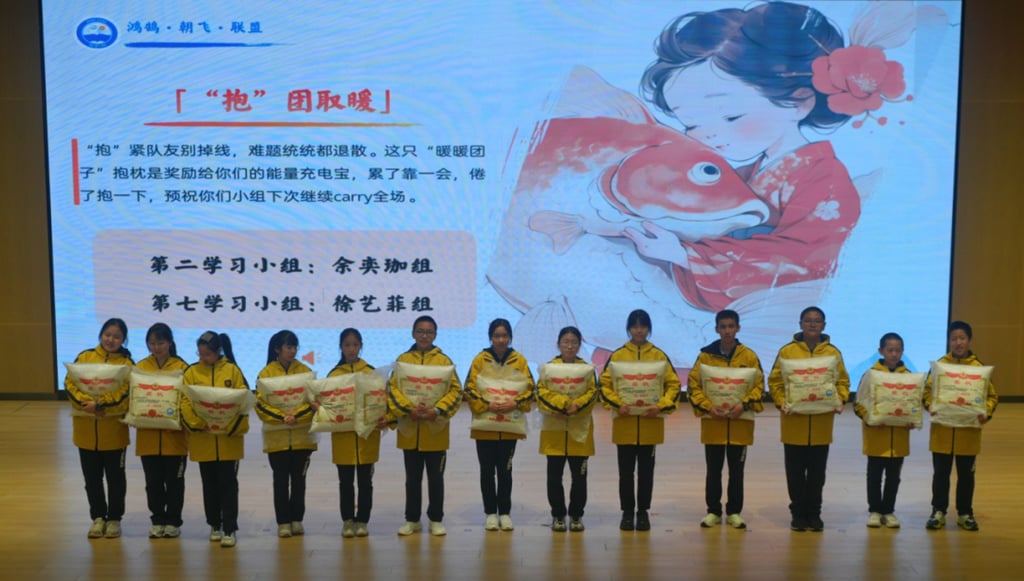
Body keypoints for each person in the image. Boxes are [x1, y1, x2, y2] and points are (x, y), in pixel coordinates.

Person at [632, 1, 871, 312]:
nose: (706, 135)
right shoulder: (745, 171)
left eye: (731, 116)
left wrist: (684, 255)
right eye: (690, 124)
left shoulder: (825, 180)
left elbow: (804, 263)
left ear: (799, 103)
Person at [767, 306, 850, 532]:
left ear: (824, 325)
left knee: (817, 474)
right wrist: (781, 401)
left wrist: (840, 399)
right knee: (794, 473)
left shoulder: (833, 353)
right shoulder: (787, 352)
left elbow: (843, 382)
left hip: (822, 424)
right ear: (800, 324)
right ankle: (798, 514)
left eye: (817, 321)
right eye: (808, 320)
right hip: (794, 424)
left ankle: (814, 514)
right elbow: (775, 382)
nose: (812, 324)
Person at [599, 309, 682, 532]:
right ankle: (627, 512)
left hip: (650, 423)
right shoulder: (617, 356)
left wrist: (661, 406)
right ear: (628, 328)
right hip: (624, 423)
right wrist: (618, 404)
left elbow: (674, 385)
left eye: (643, 326)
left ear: (649, 329)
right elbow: (604, 385)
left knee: (646, 471)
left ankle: (643, 512)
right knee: (625, 472)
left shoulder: (659, 356)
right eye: (635, 326)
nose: (639, 330)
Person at [686, 309, 765, 529]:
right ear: (716, 329)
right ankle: (713, 511)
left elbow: (760, 386)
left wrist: (744, 404)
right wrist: (708, 407)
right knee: (713, 470)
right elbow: (694, 385)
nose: (727, 331)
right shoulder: (705, 357)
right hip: (714, 423)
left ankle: (734, 512)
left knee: (736, 471)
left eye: (731, 326)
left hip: (741, 424)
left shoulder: (749, 356)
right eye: (723, 327)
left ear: (738, 328)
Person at [387, 316, 463, 537]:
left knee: (436, 478)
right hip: (410, 429)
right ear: (413, 333)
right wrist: (408, 409)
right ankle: (412, 519)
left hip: (435, 430)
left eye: (429, 332)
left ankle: (436, 519)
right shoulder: (402, 360)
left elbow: (455, 391)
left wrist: (437, 410)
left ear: (435, 335)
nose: (424, 335)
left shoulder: (444, 361)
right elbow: (393, 388)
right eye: (420, 331)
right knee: (412, 479)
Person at [923, 321, 998, 531]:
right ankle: (938, 511)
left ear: (969, 340)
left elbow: (992, 396)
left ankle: (965, 513)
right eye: (954, 338)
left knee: (966, 476)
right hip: (942, 434)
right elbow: (927, 393)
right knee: (940, 475)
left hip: (968, 434)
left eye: (962, 338)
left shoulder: (978, 368)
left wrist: (987, 412)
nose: (958, 342)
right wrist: (930, 405)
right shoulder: (939, 366)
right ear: (949, 341)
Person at [464, 318, 536, 532]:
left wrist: (516, 402)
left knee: (505, 471)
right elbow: (469, 388)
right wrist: (487, 404)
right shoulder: (480, 359)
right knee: (486, 471)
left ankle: (504, 512)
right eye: (497, 336)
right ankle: (489, 513)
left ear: (510, 337)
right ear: (490, 337)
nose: (501, 340)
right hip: (485, 426)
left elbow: (531, 388)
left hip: (509, 427)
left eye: (505, 336)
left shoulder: (519, 360)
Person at [64, 318, 134, 539]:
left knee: (115, 479)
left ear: (123, 340)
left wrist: (101, 404)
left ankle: (114, 518)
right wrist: (89, 404)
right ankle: (97, 517)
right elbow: (70, 383)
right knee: (92, 479)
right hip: (85, 432)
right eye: (107, 334)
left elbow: (126, 393)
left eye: (116, 336)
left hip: (114, 433)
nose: (110, 339)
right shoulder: (84, 357)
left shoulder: (127, 364)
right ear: (101, 334)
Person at [180, 331, 249, 548]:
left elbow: (244, 401)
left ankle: (229, 527)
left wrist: (229, 426)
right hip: (203, 440)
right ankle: (214, 524)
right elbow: (184, 401)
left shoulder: (232, 370)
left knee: (228, 484)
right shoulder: (191, 372)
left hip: (228, 441)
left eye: (207, 354)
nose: (203, 358)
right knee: (209, 484)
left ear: (218, 351)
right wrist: (198, 423)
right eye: (200, 354)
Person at [323, 328, 387, 538]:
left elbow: (380, 400)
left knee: (365, 482)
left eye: (355, 345)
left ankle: (363, 520)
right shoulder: (334, 374)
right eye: (347, 345)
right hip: (343, 439)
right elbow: (327, 404)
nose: (351, 349)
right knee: (345, 482)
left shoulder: (370, 371)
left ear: (361, 346)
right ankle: (347, 520)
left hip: (366, 437)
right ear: (341, 347)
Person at [255, 330, 317, 539]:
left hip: (302, 438)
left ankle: (297, 519)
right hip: (277, 439)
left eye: (294, 347)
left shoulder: (306, 371)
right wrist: (282, 417)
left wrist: (296, 415)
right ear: (277, 349)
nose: (292, 351)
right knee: (280, 481)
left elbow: (313, 401)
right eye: (288, 347)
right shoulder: (266, 374)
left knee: (299, 481)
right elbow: (260, 405)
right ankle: (283, 521)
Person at [537, 326, 598, 532]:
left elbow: (592, 393)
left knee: (579, 477)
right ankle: (558, 515)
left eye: (574, 342)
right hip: (554, 430)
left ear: (579, 345)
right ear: (558, 343)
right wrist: (562, 404)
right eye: (565, 341)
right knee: (554, 476)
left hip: (580, 430)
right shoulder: (548, 368)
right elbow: (542, 392)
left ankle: (576, 515)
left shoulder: (587, 369)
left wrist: (576, 405)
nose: (569, 346)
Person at [134, 322, 190, 539]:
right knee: (153, 482)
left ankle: (174, 521)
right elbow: (134, 397)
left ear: (170, 343)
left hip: (174, 437)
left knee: (175, 482)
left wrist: (178, 420)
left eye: (161, 342)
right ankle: (157, 519)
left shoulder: (182, 367)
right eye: (152, 343)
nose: (156, 347)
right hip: (147, 437)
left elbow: (187, 400)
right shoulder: (140, 367)